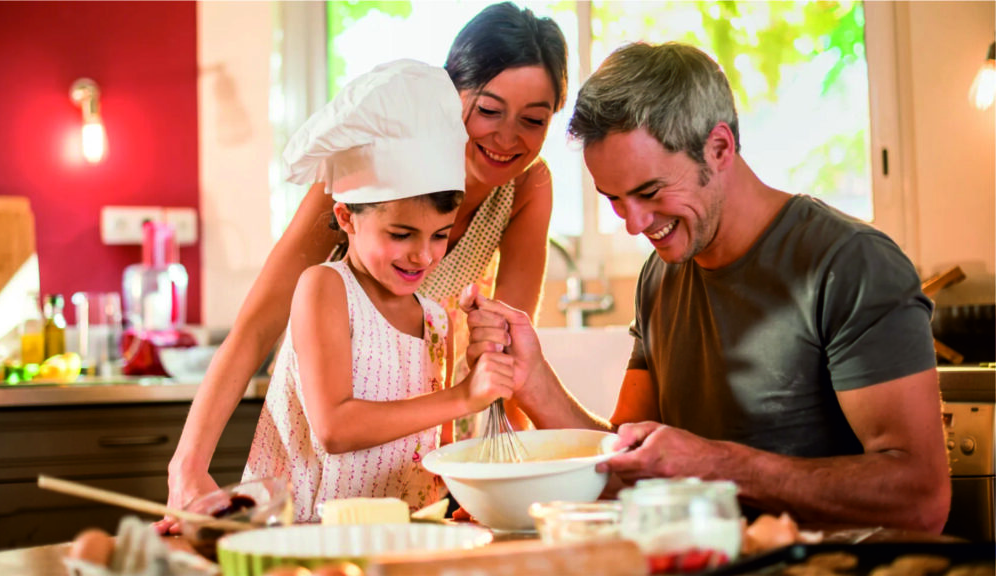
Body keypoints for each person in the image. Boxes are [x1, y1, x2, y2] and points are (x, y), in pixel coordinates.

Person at [461, 42, 951, 532]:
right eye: (614, 199)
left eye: (649, 192)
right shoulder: (663, 274)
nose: (634, 223)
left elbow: (920, 497)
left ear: (719, 147)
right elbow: (624, 473)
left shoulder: (851, 264)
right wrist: (534, 381)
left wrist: (720, 467)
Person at [157, 2, 568, 533]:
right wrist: (187, 467)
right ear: (451, 95)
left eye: (533, 121)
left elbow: (505, 349)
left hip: (416, 439)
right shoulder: (365, 170)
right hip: (329, 436)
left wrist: (492, 476)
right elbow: (260, 322)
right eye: (489, 110)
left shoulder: (527, 187)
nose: (508, 139)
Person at [245, 59, 516, 521]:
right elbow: (334, 427)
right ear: (347, 218)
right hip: (306, 536)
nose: (424, 256)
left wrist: (462, 497)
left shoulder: (434, 319)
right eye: (401, 234)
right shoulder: (326, 289)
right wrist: (463, 396)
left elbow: (430, 442)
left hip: (402, 534)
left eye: (439, 234)